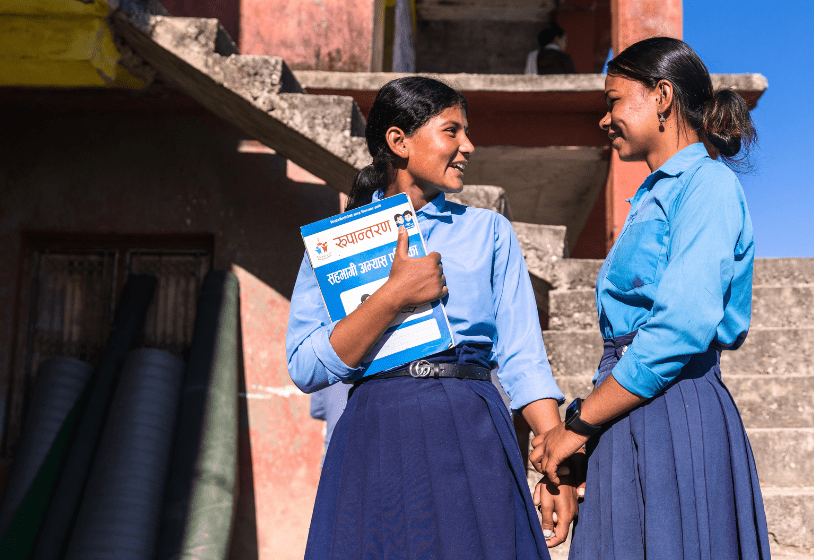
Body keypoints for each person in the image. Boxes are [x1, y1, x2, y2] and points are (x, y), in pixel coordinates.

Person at [287, 76, 577, 559]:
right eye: (452, 131)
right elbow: (305, 366)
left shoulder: (490, 232)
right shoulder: (339, 244)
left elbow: (524, 359)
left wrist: (556, 468)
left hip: (471, 428)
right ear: (398, 141)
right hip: (376, 435)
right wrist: (392, 297)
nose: (468, 146)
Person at [529, 37, 771, 560]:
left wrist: (578, 426)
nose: (604, 118)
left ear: (661, 96)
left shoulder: (706, 185)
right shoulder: (653, 195)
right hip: (629, 407)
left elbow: (679, 328)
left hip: (673, 410)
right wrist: (585, 435)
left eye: (614, 100)